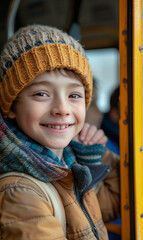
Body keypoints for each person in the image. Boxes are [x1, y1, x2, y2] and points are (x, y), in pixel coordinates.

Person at [0, 24, 120, 239]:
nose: (62, 109)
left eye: (74, 96)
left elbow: (116, 201)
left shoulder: (67, 162)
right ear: (11, 106)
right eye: (42, 94)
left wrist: (93, 159)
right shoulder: (19, 191)